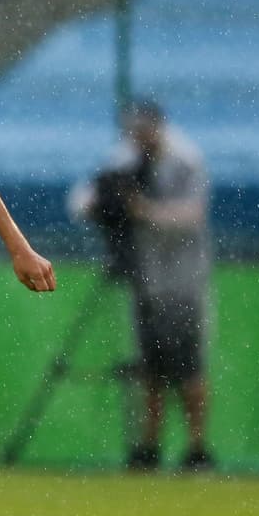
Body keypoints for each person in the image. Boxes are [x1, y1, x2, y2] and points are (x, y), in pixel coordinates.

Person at [68, 99, 214, 471]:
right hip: (145, 279)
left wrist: (144, 211)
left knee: (189, 368)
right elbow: (84, 199)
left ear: (157, 128)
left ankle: (197, 447)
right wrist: (103, 206)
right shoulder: (126, 159)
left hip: (182, 279)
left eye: (143, 132)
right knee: (150, 368)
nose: (139, 139)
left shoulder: (185, 159)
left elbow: (193, 214)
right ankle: (149, 446)